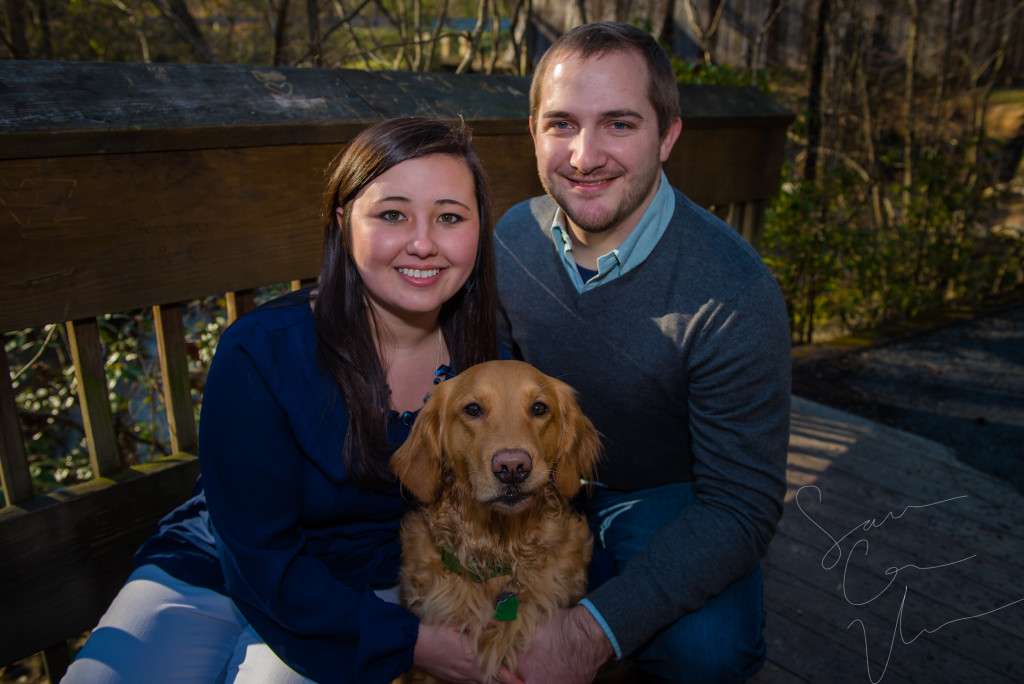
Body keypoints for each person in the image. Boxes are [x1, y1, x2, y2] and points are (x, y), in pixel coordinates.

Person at [63, 116, 518, 684]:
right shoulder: (261, 352)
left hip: (369, 592)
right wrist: (410, 643)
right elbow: (256, 549)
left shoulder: (493, 368)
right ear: (342, 222)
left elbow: (540, 505)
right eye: (391, 214)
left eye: (449, 217)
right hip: (219, 563)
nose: (422, 242)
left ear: (479, 230)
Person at [493, 22, 792, 684]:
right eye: (561, 124)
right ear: (534, 134)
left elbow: (742, 504)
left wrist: (591, 632)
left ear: (669, 136)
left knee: (710, 650)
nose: (584, 154)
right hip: (537, 481)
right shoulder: (511, 240)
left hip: (663, 490)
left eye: (620, 124)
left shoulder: (732, 291)